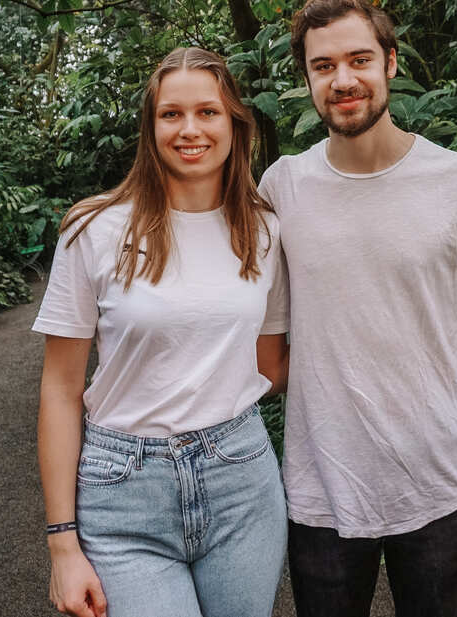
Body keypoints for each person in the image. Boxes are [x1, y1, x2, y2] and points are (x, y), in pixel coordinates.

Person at [259, 0, 457, 617]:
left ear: (391, 63)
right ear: (307, 79)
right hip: (322, 479)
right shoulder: (282, 187)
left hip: (440, 478)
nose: (343, 80)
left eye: (359, 60)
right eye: (324, 67)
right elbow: (270, 352)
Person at [32, 47, 289, 617]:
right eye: (171, 114)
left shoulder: (264, 228)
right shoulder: (94, 228)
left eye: (208, 112)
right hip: (123, 490)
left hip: (241, 481)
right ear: (151, 129)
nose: (190, 129)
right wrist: (62, 543)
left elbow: (270, 366)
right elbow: (59, 387)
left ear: (235, 124)